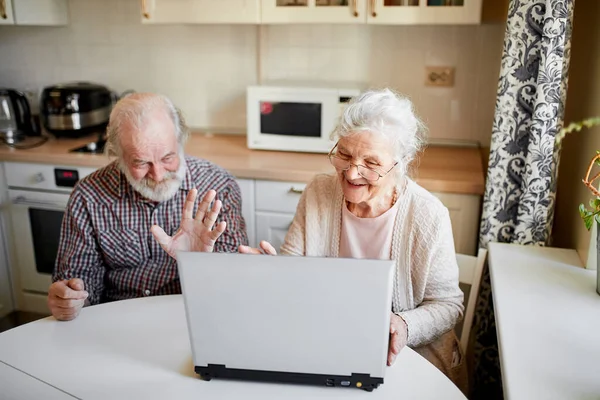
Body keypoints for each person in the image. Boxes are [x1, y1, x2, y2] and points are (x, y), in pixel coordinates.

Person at [239, 88, 467, 391]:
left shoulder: (428, 215)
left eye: (371, 163)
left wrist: (403, 324)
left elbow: (448, 305)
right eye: (344, 154)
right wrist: (274, 272)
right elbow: (294, 271)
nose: (352, 172)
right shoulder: (319, 192)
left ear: (400, 164)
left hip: (404, 359)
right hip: (325, 346)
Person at [48, 93, 248, 321]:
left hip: (193, 317)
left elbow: (234, 286)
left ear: (180, 141)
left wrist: (201, 263)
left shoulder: (219, 186)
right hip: (117, 320)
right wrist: (71, 299)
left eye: (167, 158)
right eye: (141, 162)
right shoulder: (89, 196)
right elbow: (79, 280)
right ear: (117, 153)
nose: (158, 175)